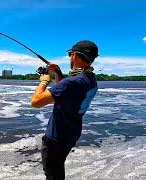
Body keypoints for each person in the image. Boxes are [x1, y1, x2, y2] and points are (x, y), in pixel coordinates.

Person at [31, 40, 99, 180]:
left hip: (56, 138)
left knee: (53, 175)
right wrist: (57, 72)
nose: (69, 57)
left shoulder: (72, 82)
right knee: (58, 168)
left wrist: (44, 81)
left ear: (74, 55)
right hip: (71, 133)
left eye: (70, 54)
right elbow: (66, 91)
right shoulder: (90, 79)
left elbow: (36, 102)